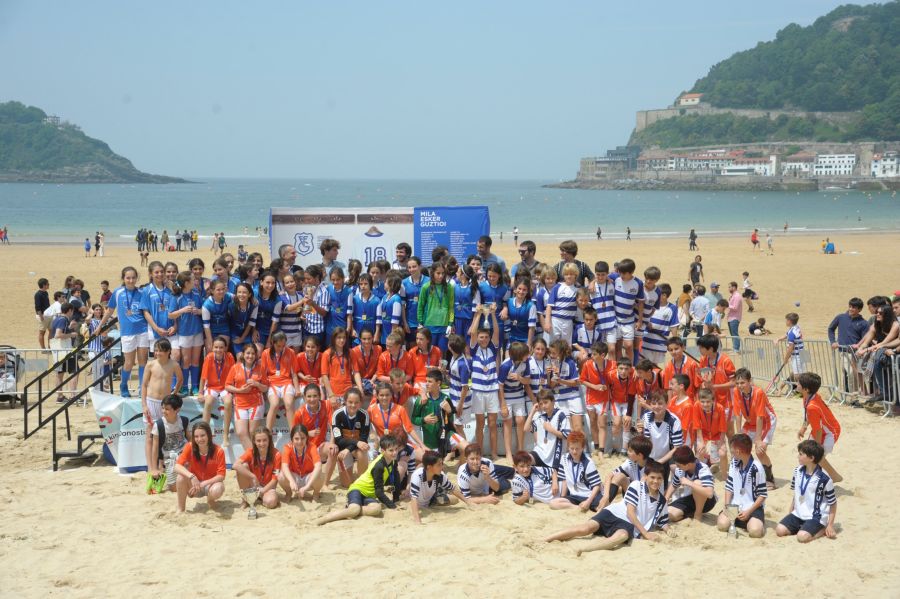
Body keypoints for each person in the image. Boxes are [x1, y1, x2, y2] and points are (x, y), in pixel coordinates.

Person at [544, 460, 670, 554]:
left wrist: (668, 530)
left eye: (659, 478)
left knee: (621, 537)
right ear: (646, 476)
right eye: (652, 477)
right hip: (614, 513)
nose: (656, 481)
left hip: (628, 525)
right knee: (586, 528)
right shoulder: (636, 485)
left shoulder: (662, 501)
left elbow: (662, 522)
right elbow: (630, 512)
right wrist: (646, 534)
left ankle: (584, 549)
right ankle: (545, 539)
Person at [314, 434, 402, 526]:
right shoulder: (379, 466)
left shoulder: (392, 460)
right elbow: (379, 492)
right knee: (354, 510)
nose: (395, 453)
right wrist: (393, 506)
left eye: (396, 449)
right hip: (357, 489)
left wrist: (396, 499)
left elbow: (396, 478)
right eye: (391, 450)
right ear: (383, 451)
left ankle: (353, 510)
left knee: (376, 509)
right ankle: (324, 519)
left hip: (369, 494)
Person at [775, 439, 838, 543]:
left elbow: (833, 503)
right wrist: (791, 509)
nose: (798, 456)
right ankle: (804, 528)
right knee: (779, 530)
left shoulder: (825, 479)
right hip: (798, 513)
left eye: (801, 454)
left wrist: (830, 525)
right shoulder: (797, 471)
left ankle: (822, 529)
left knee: (802, 537)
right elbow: (797, 493)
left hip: (816, 517)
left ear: (811, 458)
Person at [101, 266, 149, 397]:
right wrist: (100, 326)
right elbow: (110, 311)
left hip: (143, 330)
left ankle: (141, 388)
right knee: (128, 362)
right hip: (127, 332)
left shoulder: (141, 292)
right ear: (123, 278)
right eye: (128, 278)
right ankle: (123, 386)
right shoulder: (117, 292)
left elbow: (146, 311)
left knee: (143, 361)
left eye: (133, 278)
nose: (131, 280)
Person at [141, 338, 182, 469]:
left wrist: (174, 393)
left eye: (161, 351)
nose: (158, 353)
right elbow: (144, 385)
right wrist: (144, 405)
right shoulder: (151, 364)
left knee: (161, 435)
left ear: (168, 351)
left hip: (164, 404)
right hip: (151, 401)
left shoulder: (174, 364)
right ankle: (150, 467)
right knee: (149, 435)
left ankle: (160, 464)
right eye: (156, 350)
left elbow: (180, 379)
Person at [716, 433, 766, 538]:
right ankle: (739, 523)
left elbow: (762, 495)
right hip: (735, 506)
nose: (731, 452)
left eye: (732, 450)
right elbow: (729, 486)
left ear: (738, 451)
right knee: (722, 525)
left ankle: (754, 523)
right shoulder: (734, 462)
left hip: (752, 509)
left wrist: (748, 512)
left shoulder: (757, 467)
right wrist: (727, 506)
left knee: (755, 531)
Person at [468, 306, 502, 460]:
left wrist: (493, 315)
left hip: (492, 390)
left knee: (493, 424)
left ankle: (494, 453)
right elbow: (472, 332)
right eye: (481, 337)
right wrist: (479, 314)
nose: (484, 339)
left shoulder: (493, 349)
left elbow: (496, 332)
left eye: (486, 337)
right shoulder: (474, 350)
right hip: (478, 391)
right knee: (480, 424)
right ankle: (479, 453)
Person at [733, 368, 776, 488]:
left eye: (742, 382)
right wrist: (738, 434)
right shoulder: (736, 392)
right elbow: (737, 414)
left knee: (759, 451)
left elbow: (760, 417)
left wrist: (758, 439)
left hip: (767, 421)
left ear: (750, 381)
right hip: (750, 421)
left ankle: (770, 479)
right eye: (737, 383)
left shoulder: (758, 392)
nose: (740, 386)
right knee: (740, 447)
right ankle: (749, 474)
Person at [797, 372, 843, 483]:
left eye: (799, 383)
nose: (796, 384)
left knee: (815, 455)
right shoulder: (808, 396)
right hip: (822, 429)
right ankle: (831, 477)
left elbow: (818, 429)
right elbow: (811, 417)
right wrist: (804, 427)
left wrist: (816, 448)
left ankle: (833, 477)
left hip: (830, 432)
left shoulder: (812, 406)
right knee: (808, 454)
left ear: (806, 389)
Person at [413, 369, 466, 458]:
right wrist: (424, 420)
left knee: (466, 447)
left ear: (438, 383)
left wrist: (449, 412)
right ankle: (447, 457)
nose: (426, 384)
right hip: (430, 443)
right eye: (426, 381)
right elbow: (414, 419)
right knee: (435, 467)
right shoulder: (421, 399)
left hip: (447, 435)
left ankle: (461, 468)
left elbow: (450, 422)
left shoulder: (446, 398)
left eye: (430, 381)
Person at [173, 421, 226, 512]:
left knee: (218, 488)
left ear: (209, 435)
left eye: (202, 435)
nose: (199, 439)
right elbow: (177, 466)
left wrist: (204, 483)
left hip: (209, 485)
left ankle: (210, 500)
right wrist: (192, 476)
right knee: (180, 478)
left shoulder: (219, 451)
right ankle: (181, 509)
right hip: (194, 485)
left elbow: (221, 475)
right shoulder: (189, 446)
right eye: (196, 436)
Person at [224, 343, 269, 450]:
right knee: (241, 432)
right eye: (248, 353)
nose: (250, 356)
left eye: (253, 353)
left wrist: (257, 384)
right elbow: (227, 386)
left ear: (256, 355)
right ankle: (254, 457)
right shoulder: (235, 367)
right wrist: (240, 390)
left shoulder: (260, 368)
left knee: (253, 432)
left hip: (256, 403)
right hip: (240, 403)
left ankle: (254, 460)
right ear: (243, 355)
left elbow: (266, 388)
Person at [409, 451, 471, 524]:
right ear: (429, 467)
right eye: (439, 465)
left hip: (432, 500)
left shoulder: (440, 475)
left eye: (442, 463)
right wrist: (417, 520)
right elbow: (413, 498)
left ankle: (439, 494)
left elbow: (452, 488)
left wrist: (468, 502)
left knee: (455, 500)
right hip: (418, 504)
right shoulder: (417, 476)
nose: (442, 466)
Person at [549, 431, 603, 512]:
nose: (574, 451)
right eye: (572, 448)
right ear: (568, 447)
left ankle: (586, 506)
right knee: (553, 503)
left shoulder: (588, 462)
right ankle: (577, 508)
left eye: (577, 449)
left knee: (600, 508)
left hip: (589, 495)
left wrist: (588, 501)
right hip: (574, 496)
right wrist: (563, 497)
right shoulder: (564, 459)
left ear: (583, 447)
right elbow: (564, 480)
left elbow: (597, 485)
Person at [331, 388, 371, 486]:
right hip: (343, 448)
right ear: (345, 401)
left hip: (354, 449)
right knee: (346, 484)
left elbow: (363, 439)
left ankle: (362, 481)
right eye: (350, 402)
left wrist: (349, 449)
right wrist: (355, 443)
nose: (353, 405)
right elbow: (338, 440)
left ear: (360, 403)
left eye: (356, 402)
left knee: (363, 451)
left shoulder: (364, 415)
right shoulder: (337, 414)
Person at [199, 336, 235, 445]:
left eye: (221, 347)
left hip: (225, 386)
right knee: (208, 402)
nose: (218, 350)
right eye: (216, 347)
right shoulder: (209, 357)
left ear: (225, 348)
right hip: (211, 386)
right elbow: (203, 377)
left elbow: (234, 375)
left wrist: (235, 391)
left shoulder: (230, 356)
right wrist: (201, 392)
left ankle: (225, 435)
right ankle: (205, 434)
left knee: (228, 402)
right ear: (212, 347)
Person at [666, 446, 716, 522]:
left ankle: (698, 514)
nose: (677, 467)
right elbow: (674, 484)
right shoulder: (680, 469)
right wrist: (666, 498)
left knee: (697, 483)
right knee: (670, 514)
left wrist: (689, 483)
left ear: (688, 465)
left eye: (679, 465)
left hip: (706, 501)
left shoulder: (703, 469)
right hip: (689, 498)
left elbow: (710, 493)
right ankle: (689, 514)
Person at [600, 436, 652, 508]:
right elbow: (609, 475)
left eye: (630, 451)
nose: (627, 452)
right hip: (632, 496)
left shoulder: (653, 468)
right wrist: (606, 496)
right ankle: (604, 504)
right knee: (619, 476)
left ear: (640, 455)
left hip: (645, 502)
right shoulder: (630, 462)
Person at [580, 341, 612, 456]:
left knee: (602, 424)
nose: (591, 356)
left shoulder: (612, 364)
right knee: (593, 422)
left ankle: (601, 451)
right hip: (590, 397)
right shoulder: (588, 364)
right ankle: (597, 447)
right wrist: (595, 386)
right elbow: (582, 380)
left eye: (594, 354)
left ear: (602, 355)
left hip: (603, 398)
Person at [279, 423, 325, 501]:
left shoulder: (312, 446)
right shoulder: (287, 447)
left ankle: (316, 493)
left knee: (320, 474)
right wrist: (291, 481)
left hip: (308, 477)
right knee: (281, 476)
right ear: (292, 439)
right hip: (295, 477)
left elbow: (318, 466)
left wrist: (307, 487)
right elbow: (284, 466)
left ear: (307, 438)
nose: (300, 442)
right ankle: (289, 493)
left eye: (302, 438)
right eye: (296, 439)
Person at [526, 388, 570, 470]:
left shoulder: (560, 415)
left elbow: (567, 436)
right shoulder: (541, 417)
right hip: (540, 453)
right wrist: (532, 412)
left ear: (553, 401)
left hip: (555, 456)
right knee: (524, 461)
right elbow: (526, 428)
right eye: (541, 404)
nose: (543, 406)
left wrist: (552, 430)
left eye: (546, 402)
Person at [611, 258, 644, 363]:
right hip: (615, 319)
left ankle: (630, 368)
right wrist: (593, 282)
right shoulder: (615, 277)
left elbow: (641, 302)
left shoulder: (638, 283)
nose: (621, 275)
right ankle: (620, 369)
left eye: (624, 273)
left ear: (631, 273)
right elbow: (600, 276)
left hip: (629, 319)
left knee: (629, 346)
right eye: (620, 272)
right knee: (618, 346)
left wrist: (640, 320)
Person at [639, 390, 683, 468]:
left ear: (666, 404)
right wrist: (640, 433)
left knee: (674, 468)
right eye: (653, 403)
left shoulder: (674, 421)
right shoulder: (646, 417)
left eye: (660, 403)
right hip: (651, 457)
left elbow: (677, 447)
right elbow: (647, 441)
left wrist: (659, 462)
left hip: (669, 458)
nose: (656, 406)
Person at [690, 388, 728, 475]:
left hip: (717, 435)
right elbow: (697, 426)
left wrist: (721, 444)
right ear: (699, 401)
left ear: (713, 401)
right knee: (700, 451)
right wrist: (701, 442)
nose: (705, 404)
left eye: (708, 401)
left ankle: (724, 474)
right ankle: (697, 474)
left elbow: (723, 429)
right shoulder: (696, 406)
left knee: (723, 452)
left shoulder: (720, 408)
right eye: (702, 402)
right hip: (703, 434)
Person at [774, 312, 804, 391]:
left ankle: (801, 391)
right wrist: (778, 339)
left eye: (786, 320)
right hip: (802, 353)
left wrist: (786, 358)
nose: (785, 322)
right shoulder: (795, 327)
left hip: (798, 355)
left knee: (798, 375)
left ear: (789, 321)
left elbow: (791, 347)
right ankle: (795, 388)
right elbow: (786, 335)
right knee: (797, 372)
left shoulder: (792, 332)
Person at [34, 278, 51, 349]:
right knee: (42, 332)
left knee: (51, 331)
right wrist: (41, 316)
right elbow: (37, 306)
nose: (49, 285)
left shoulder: (46, 292)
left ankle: (50, 347)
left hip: (48, 315)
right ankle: (43, 349)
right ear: (44, 285)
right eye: (47, 284)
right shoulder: (38, 294)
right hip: (42, 315)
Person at [726, 281, 743, 351]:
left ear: (734, 287)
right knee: (732, 334)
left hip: (734, 318)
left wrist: (727, 305)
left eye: (730, 287)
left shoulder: (737, 296)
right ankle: (735, 348)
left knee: (734, 334)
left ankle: (736, 348)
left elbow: (735, 308)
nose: (728, 289)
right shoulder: (733, 295)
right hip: (731, 318)